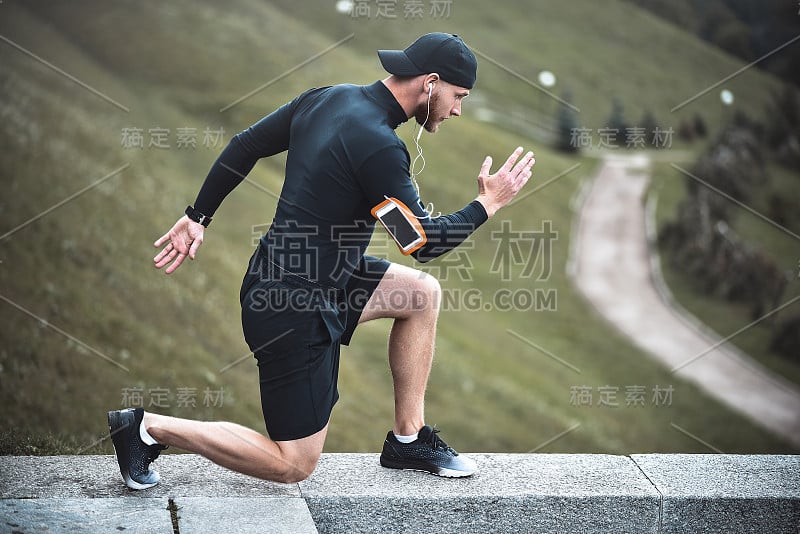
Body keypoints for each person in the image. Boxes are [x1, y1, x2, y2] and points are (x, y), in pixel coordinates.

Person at [108, 32, 535, 489]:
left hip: (293, 275)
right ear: (430, 83)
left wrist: (198, 217)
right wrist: (486, 205)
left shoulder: (327, 98)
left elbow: (245, 145)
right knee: (293, 464)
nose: (457, 110)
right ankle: (148, 428)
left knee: (420, 295)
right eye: (458, 96)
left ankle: (408, 441)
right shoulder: (380, 146)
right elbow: (421, 243)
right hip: (292, 307)